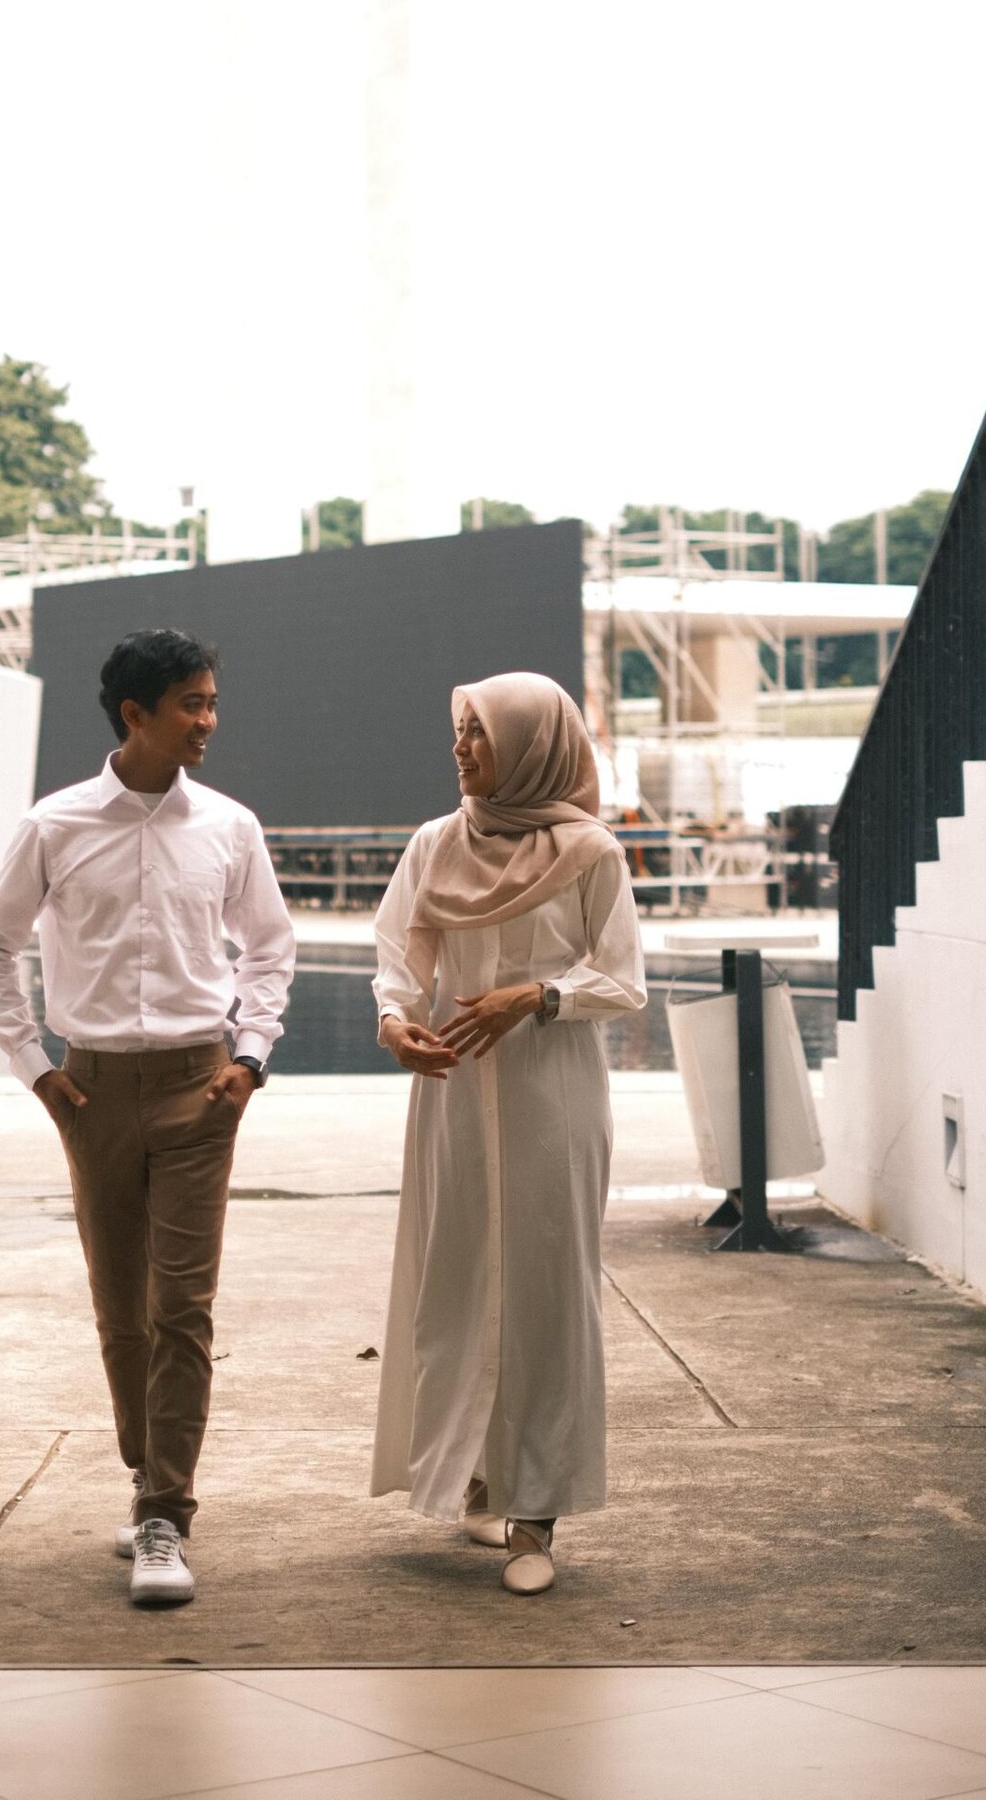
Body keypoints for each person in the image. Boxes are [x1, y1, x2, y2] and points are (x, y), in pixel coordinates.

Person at [0, 627, 293, 1608]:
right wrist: (33, 1067)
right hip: (93, 1091)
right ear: (134, 713)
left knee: (181, 1308)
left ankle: (164, 1515)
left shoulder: (229, 826)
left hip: (201, 1086)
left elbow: (268, 947)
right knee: (121, 1312)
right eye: (192, 703)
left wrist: (249, 1058)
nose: (209, 720)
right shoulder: (55, 825)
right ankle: (147, 1475)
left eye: (212, 701)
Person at [369, 671, 646, 1594]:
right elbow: (400, 951)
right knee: (457, 1279)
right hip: (452, 1088)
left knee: (547, 1292)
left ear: (532, 746)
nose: (460, 748)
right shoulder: (434, 843)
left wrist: (536, 996)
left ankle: (537, 1519)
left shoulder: (591, 851)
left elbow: (624, 979)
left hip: (552, 1092)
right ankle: (478, 1478)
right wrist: (395, 1021)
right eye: (459, 731)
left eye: (479, 733)